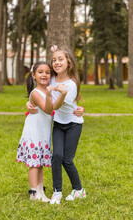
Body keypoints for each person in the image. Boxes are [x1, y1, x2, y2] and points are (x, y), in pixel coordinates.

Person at [27, 45, 86, 205]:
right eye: (54, 60)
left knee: (67, 159)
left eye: (60, 59)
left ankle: (79, 190)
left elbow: (56, 106)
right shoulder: (52, 78)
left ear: (69, 62)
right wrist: (29, 103)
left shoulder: (72, 84)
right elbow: (39, 90)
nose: (56, 62)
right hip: (59, 124)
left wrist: (64, 93)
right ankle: (57, 192)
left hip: (74, 123)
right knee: (56, 156)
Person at [16, 61, 67, 203]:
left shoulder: (49, 91)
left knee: (41, 162)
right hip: (34, 132)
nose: (44, 75)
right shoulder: (36, 93)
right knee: (34, 163)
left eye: (47, 72)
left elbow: (58, 106)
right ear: (33, 75)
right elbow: (49, 109)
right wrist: (50, 96)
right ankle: (33, 193)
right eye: (40, 72)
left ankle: (39, 190)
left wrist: (60, 96)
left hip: (44, 133)